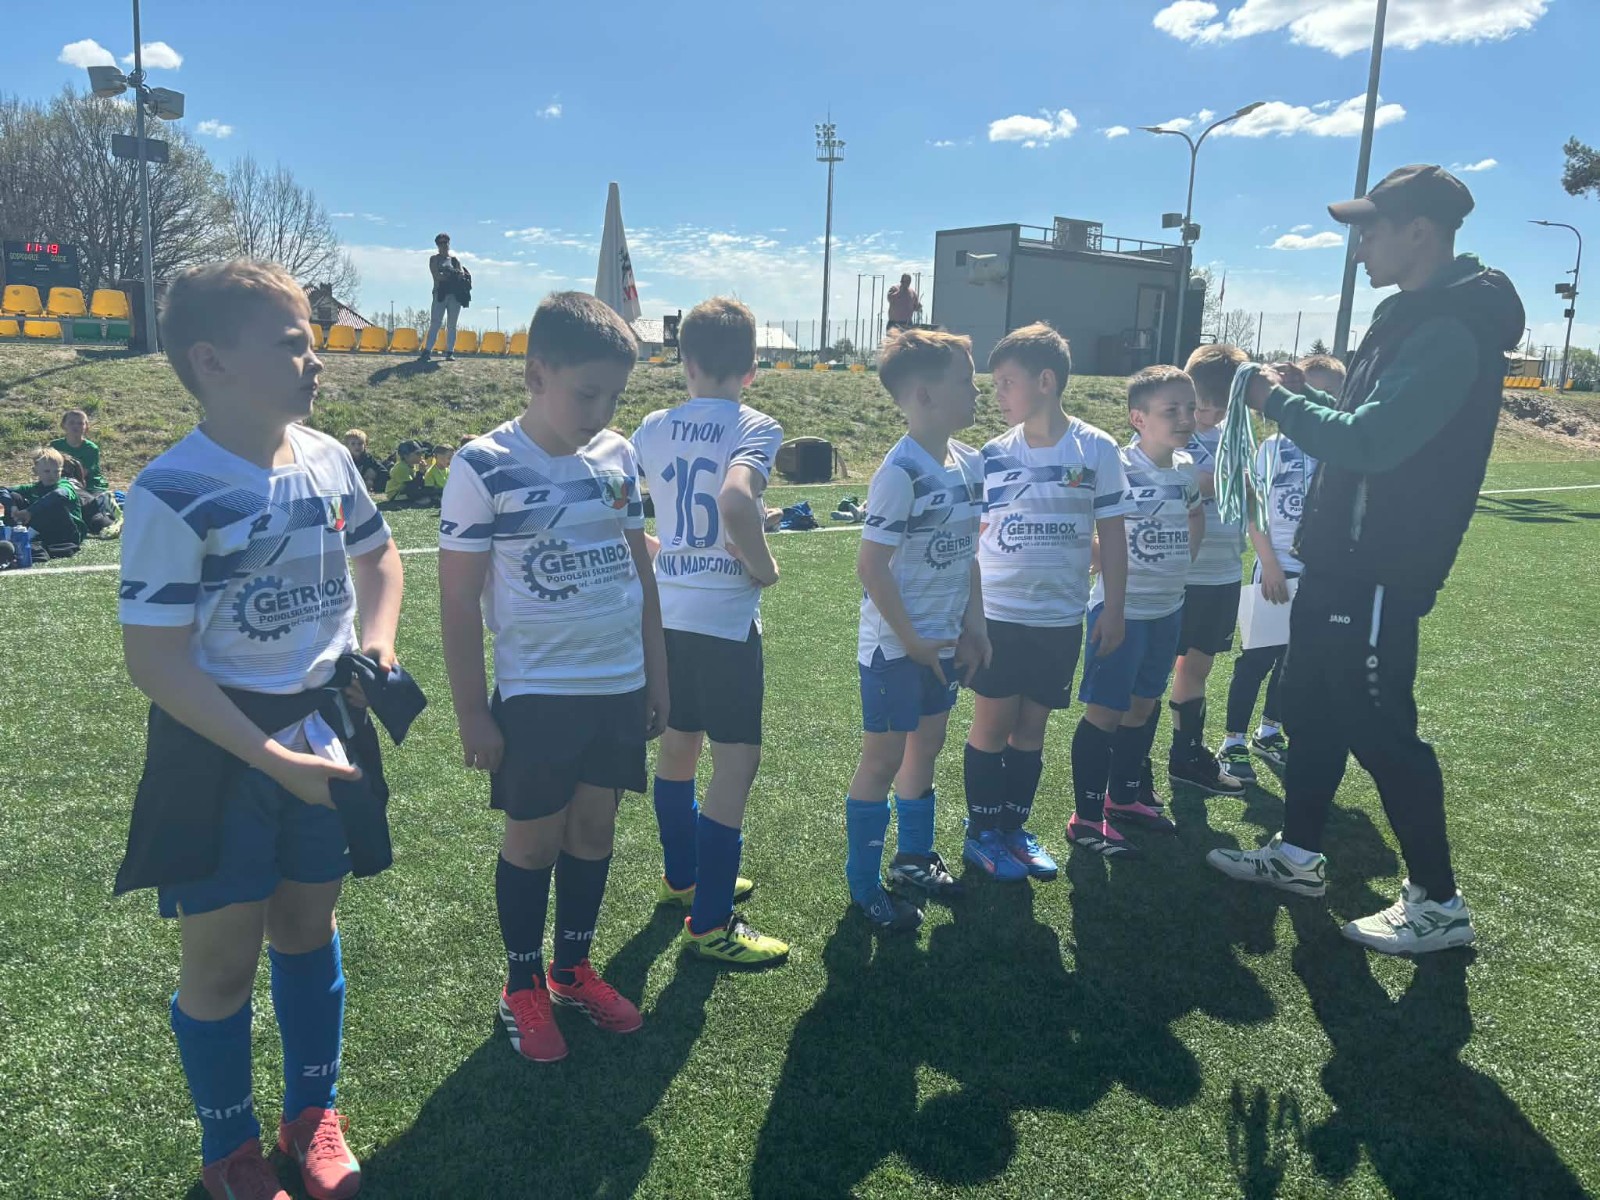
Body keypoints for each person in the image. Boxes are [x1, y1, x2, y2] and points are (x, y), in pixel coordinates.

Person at [113, 260, 405, 1200]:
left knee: (308, 927)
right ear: (212, 361)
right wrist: (270, 757)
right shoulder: (173, 488)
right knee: (223, 960)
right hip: (221, 751)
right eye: (291, 344)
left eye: (312, 341)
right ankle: (230, 1149)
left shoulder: (328, 457)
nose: (315, 360)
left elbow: (380, 558)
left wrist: (377, 646)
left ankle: (312, 1114)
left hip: (325, 733)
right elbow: (156, 660)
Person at [1208, 164, 1524, 955]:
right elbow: (1359, 423)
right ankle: (1299, 856)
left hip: (1381, 567)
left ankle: (1438, 903)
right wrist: (1303, 395)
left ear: (1420, 232)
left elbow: (1373, 443)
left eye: (1370, 231)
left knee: (1380, 729)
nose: (1358, 248)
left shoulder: (1451, 329)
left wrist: (1277, 401)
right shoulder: (1409, 315)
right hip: (1338, 560)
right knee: (1312, 707)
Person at [439, 292, 668, 1064]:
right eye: (586, 394)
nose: (600, 414)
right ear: (536, 375)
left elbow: (639, 571)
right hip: (539, 691)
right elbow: (458, 601)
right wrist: (473, 713)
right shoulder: (483, 464)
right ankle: (522, 984)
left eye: (614, 398)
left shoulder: (618, 457)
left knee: (594, 830)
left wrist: (657, 676)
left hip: (619, 681)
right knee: (534, 841)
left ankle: (572, 970)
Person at [631, 297, 789, 966]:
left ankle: (684, 877)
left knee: (677, 751)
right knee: (735, 763)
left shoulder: (651, 427)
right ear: (751, 368)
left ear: (685, 362)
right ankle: (713, 921)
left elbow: (623, 508)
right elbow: (732, 498)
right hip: (724, 622)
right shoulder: (755, 424)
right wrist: (764, 567)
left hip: (668, 616)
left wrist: (662, 548)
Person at [962, 322, 1132, 882]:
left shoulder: (1097, 448)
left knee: (1031, 730)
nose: (997, 394)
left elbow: (1113, 535)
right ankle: (981, 834)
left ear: (1045, 381)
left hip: (1060, 617)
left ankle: (1014, 829)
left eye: (1006, 383)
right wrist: (969, 615)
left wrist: (1113, 607)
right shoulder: (992, 455)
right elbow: (972, 540)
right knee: (991, 726)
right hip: (1000, 616)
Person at [844, 328, 988, 932]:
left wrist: (975, 627)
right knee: (882, 760)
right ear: (925, 395)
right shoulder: (899, 472)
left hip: (943, 643)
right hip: (897, 648)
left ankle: (913, 860)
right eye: (966, 381)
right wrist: (911, 641)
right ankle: (863, 884)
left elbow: (968, 555)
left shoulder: (970, 463)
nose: (977, 392)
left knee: (927, 745)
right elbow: (871, 567)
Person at [1068, 365, 1205, 857]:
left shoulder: (1186, 468)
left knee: (1144, 704)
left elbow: (1195, 514)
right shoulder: (1117, 467)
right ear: (1138, 418)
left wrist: (1181, 561)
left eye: (1190, 408)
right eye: (1172, 410)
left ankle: (1123, 798)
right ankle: (1086, 819)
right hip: (1119, 611)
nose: (1185, 418)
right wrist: (1102, 563)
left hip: (1167, 609)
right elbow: (1079, 520)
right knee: (1106, 711)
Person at [1216, 354, 1346, 784]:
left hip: (1321, 575)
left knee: (1294, 660)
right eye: (1310, 391)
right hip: (1278, 569)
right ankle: (1232, 740)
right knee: (1257, 658)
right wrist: (1269, 564)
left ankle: (1269, 731)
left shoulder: (1340, 451)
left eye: (1330, 394)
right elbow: (1255, 511)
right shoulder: (1272, 448)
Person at [1165, 344, 1249, 798]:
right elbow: (1185, 482)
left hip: (1223, 572)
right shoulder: (1171, 434)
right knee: (1153, 672)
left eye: (1220, 407)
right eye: (1202, 405)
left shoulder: (1236, 438)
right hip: (1177, 574)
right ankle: (1131, 766)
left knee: (1197, 667)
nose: (1209, 415)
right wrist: (1234, 481)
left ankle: (1186, 755)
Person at [2, 447, 87, 556]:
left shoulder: (65, 485)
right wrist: (12, 507)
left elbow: (59, 494)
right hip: (44, 529)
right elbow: (3, 489)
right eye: (47, 471)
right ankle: (13, 533)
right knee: (14, 496)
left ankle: (27, 538)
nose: (52, 475)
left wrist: (29, 511)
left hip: (68, 533)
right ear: (35, 471)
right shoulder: (34, 488)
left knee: (52, 502)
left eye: (57, 471)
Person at [419, 233, 472, 363]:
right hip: (440, 294)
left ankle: (450, 352)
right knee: (435, 323)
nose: (443, 245)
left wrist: (450, 274)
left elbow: (461, 275)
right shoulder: (434, 259)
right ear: (437, 245)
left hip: (455, 296)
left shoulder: (455, 260)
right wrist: (452, 275)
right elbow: (437, 276)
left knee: (452, 324)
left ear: (449, 243)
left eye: (445, 242)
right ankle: (427, 350)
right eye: (441, 243)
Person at [52, 408, 111, 492]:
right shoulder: (55, 445)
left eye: (80, 423)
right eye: (71, 423)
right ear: (63, 425)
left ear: (86, 427)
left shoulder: (91, 448)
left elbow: (81, 474)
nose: (76, 426)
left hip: (90, 485)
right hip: (62, 482)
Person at [342, 429, 390, 496]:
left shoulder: (368, 459)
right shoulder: (344, 459)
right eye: (353, 444)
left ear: (365, 445)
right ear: (347, 446)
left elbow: (384, 473)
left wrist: (374, 483)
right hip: (350, 485)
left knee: (371, 473)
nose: (357, 446)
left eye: (360, 444)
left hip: (364, 484)